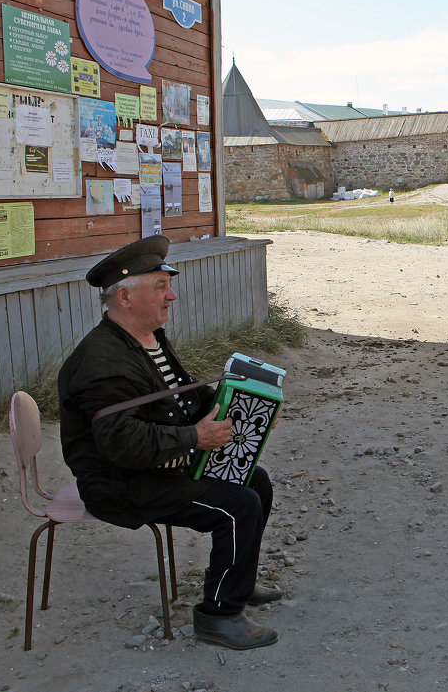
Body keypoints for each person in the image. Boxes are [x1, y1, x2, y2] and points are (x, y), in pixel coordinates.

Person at [58, 236, 281, 651]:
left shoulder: (147, 337)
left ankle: (236, 583)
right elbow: (120, 444)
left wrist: (241, 404)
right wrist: (196, 437)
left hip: (159, 467)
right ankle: (218, 616)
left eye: (168, 285)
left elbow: (181, 398)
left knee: (255, 481)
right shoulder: (102, 362)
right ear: (125, 296)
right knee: (238, 505)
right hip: (122, 483)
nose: (171, 295)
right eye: (160, 287)